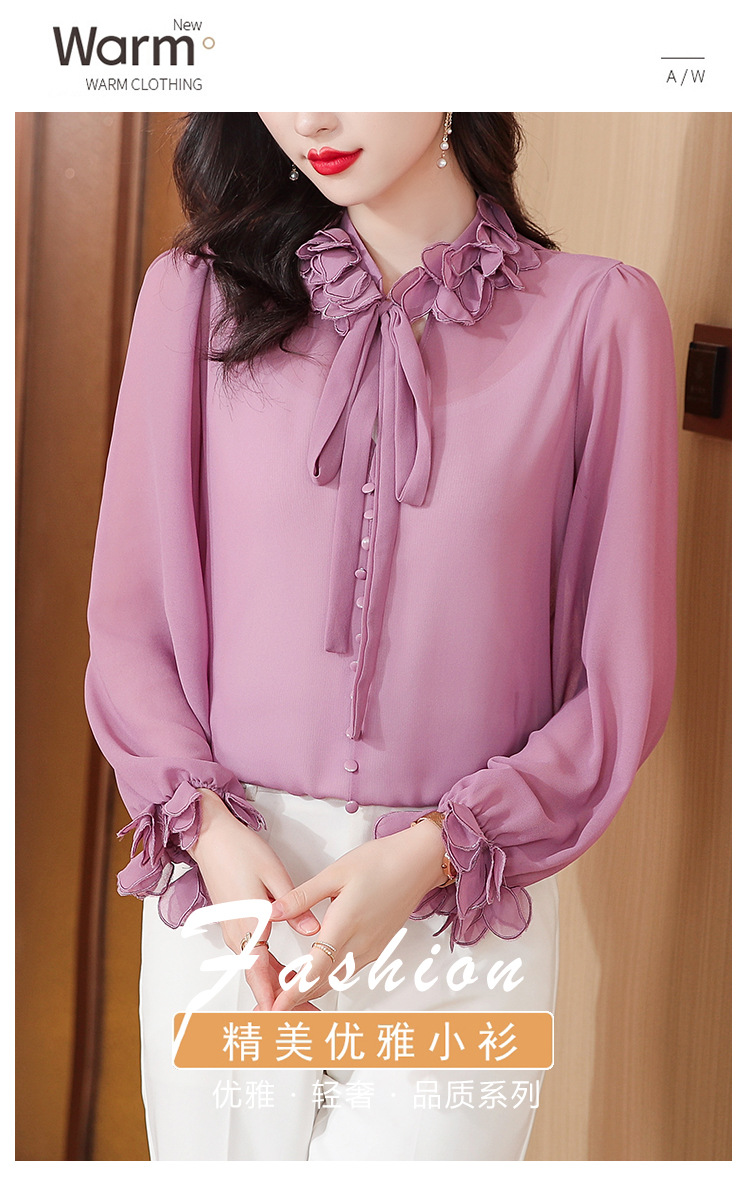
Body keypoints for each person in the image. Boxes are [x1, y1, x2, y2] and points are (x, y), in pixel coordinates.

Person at [84, 112, 678, 1161]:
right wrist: (209, 832)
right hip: (234, 905)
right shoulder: (195, 297)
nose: (311, 113)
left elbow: (619, 684)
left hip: (460, 917)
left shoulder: (598, 319)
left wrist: (433, 852)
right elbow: (130, 626)